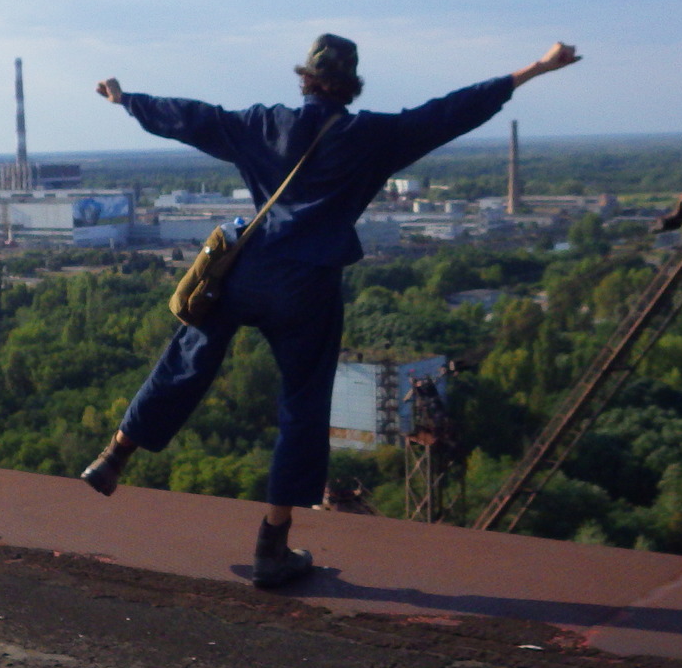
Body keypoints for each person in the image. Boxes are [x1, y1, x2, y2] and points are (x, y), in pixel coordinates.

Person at [81, 32, 582, 587]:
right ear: (352, 83)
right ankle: (273, 546)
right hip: (308, 289)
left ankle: (114, 454)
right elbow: (449, 113)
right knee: (303, 403)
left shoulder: (264, 124)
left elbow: (193, 118)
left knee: (189, 357)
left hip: (247, 270)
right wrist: (533, 70)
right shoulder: (372, 137)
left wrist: (127, 100)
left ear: (306, 78)